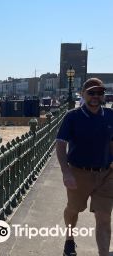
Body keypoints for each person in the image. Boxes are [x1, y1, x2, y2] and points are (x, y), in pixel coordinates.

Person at [56, 78, 113, 256]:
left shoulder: (110, 115)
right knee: (74, 209)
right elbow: (60, 144)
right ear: (83, 94)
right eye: (91, 92)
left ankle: (103, 253)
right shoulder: (72, 116)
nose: (96, 96)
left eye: (100, 93)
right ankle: (69, 239)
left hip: (106, 174)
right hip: (79, 173)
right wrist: (66, 173)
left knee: (104, 216)